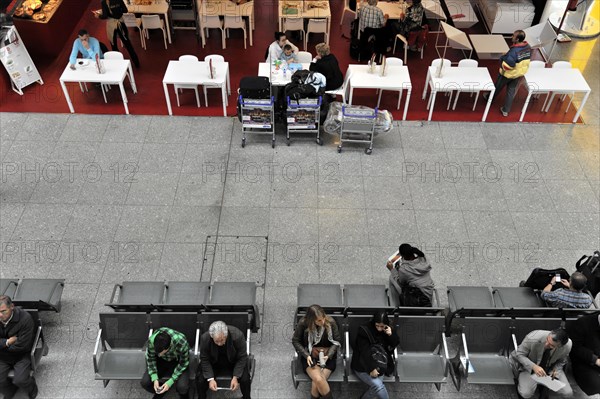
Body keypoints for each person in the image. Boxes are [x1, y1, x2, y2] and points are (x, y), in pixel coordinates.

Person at [292, 304, 341, 399]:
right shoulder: (303, 323)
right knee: (318, 379)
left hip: (327, 357)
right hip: (311, 357)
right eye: (319, 320)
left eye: (323, 318)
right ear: (311, 320)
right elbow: (295, 340)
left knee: (316, 383)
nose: (322, 322)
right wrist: (306, 355)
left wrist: (329, 354)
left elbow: (337, 341)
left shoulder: (330, 321)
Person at [509, 329, 573, 399]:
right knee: (526, 393)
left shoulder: (567, 346)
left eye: (551, 345)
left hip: (550, 368)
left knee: (568, 393)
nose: (546, 344)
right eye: (547, 340)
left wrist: (554, 373)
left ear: (560, 346)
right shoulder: (532, 338)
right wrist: (534, 366)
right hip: (530, 367)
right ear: (550, 334)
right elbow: (520, 354)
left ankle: (544, 386)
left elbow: (562, 361)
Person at [350, 310, 399, 399]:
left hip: (380, 362)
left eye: (382, 326)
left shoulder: (389, 329)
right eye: (377, 326)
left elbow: (394, 344)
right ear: (374, 323)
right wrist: (371, 368)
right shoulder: (364, 330)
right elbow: (364, 351)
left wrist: (390, 335)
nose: (379, 328)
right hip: (363, 364)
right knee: (378, 386)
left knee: (376, 387)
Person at [197, 321, 251, 399]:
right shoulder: (205, 338)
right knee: (200, 380)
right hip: (214, 361)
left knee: (245, 379)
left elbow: (242, 357)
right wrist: (210, 379)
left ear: (226, 335)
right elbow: (204, 359)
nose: (219, 344)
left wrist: (236, 377)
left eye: (222, 340)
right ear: (212, 337)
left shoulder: (238, 336)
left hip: (234, 361)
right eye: (216, 341)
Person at [484, 30, 530, 117]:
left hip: (507, 74)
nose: (512, 37)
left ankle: (489, 98)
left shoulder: (514, 51)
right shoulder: (527, 47)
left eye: (513, 36)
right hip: (517, 74)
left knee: (497, 87)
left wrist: (502, 58)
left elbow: (508, 65)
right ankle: (506, 110)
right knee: (511, 91)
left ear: (517, 39)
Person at [0, 295, 38, 399]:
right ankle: (10, 389)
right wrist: (7, 342)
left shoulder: (25, 319)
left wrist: (2, 346)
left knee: (20, 379)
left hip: (21, 355)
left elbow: (22, 346)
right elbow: (14, 343)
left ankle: (32, 388)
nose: (0, 315)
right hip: (3, 355)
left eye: (3, 311)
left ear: (12, 306)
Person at [140, 328, 190, 399]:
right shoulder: (152, 341)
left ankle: (183, 396)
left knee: (182, 387)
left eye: (162, 353)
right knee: (145, 382)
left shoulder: (181, 341)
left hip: (177, 361)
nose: (159, 355)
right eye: (158, 353)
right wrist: (154, 378)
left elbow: (184, 362)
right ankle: (161, 389)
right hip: (161, 362)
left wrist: (171, 381)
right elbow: (151, 358)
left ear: (170, 346)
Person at [94, 0, 140, 68]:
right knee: (128, 44)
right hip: (121, 23)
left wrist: (98, 16)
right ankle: (137, 63)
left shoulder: (104, 2)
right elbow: (125, 10)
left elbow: (105, 16)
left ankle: (119, 65)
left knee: (114, 45)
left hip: (112, 25)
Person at [566, 313, 600, 395]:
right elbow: (575, 347)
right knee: (595, 385)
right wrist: (595, 360)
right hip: (584, 362)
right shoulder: (583, 322)